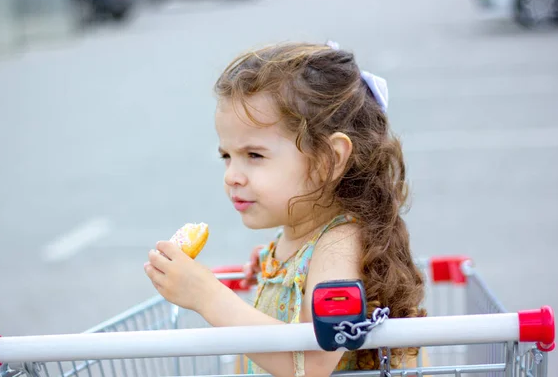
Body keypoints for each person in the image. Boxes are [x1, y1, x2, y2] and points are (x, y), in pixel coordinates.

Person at [143, 41, 427, 377]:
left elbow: (313, 363)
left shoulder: (340, 243)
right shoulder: (298, 234)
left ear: (328, 160)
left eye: (254, 155)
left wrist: (207, 296)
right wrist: (274, 267)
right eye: (226, 156)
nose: (232, 176)